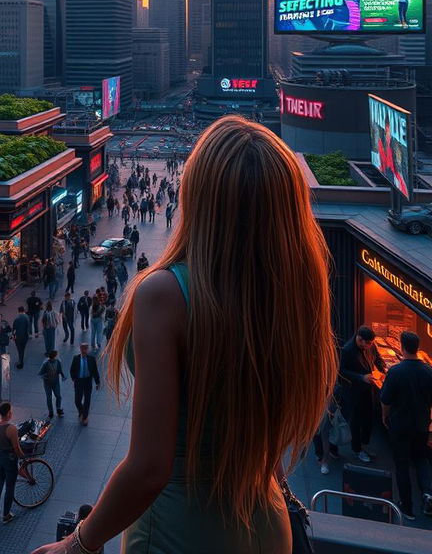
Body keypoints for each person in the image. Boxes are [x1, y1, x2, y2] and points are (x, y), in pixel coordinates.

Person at [31, 116, 337, 554]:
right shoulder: (299, 292)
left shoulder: (165, 293)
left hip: (179, 531)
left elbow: (150, 469)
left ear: (200, 198)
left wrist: (78, 544)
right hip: (268, 526)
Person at [380, 331, 432, 520]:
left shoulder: (396, 371)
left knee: (402, 464)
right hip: (421, 425)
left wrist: (384, 416)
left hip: (400, 426)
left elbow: (385, 399)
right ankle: (427, 493)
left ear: (401, 347)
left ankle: (407, 507)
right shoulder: (428, 371)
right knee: (421, 460)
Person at [339, 325, 385, 462]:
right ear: (358, 337)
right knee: (355, 420)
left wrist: (383, 369)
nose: (366, 345)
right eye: (363, 342)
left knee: (368, 417)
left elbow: (377, 358)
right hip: (353, 391)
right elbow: (342, 371)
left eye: (369, 343)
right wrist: (361, 377)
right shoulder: (347, 350)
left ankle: (365, 444)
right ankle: (357, 449)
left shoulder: (371, 345)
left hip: (367, 388)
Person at [0, 401, 25, 524]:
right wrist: (22, 457)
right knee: (9, 486)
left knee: (0, 478)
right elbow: (16, 447)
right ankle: (6, 514)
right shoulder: (11, 429)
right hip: (9, 459)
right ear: (8, 413)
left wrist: (0, 447)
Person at [69, 343, 101, 426]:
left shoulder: (91, 359)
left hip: (87, 381)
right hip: (79, 381)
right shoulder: (76, 358)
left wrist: (97, 382)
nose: (84, 350)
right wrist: (73, 378)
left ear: (88, 349)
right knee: (77, 400)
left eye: (86, 349)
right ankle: (81, 411)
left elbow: (95, 371)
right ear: (80, 349)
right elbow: (72, 369)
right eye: (83, 348)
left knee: (87, 399)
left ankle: (84, 417)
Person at [39, 351, 67, 419]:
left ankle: (58, 408)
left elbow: (60, 370)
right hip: (47, 383)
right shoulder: (45, 363)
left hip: (56, 382)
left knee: (58, 396)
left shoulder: (58, 361)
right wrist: (44, 376)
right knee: (49, 397)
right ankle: (51, 411)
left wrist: (63, 376)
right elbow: (40, 373)